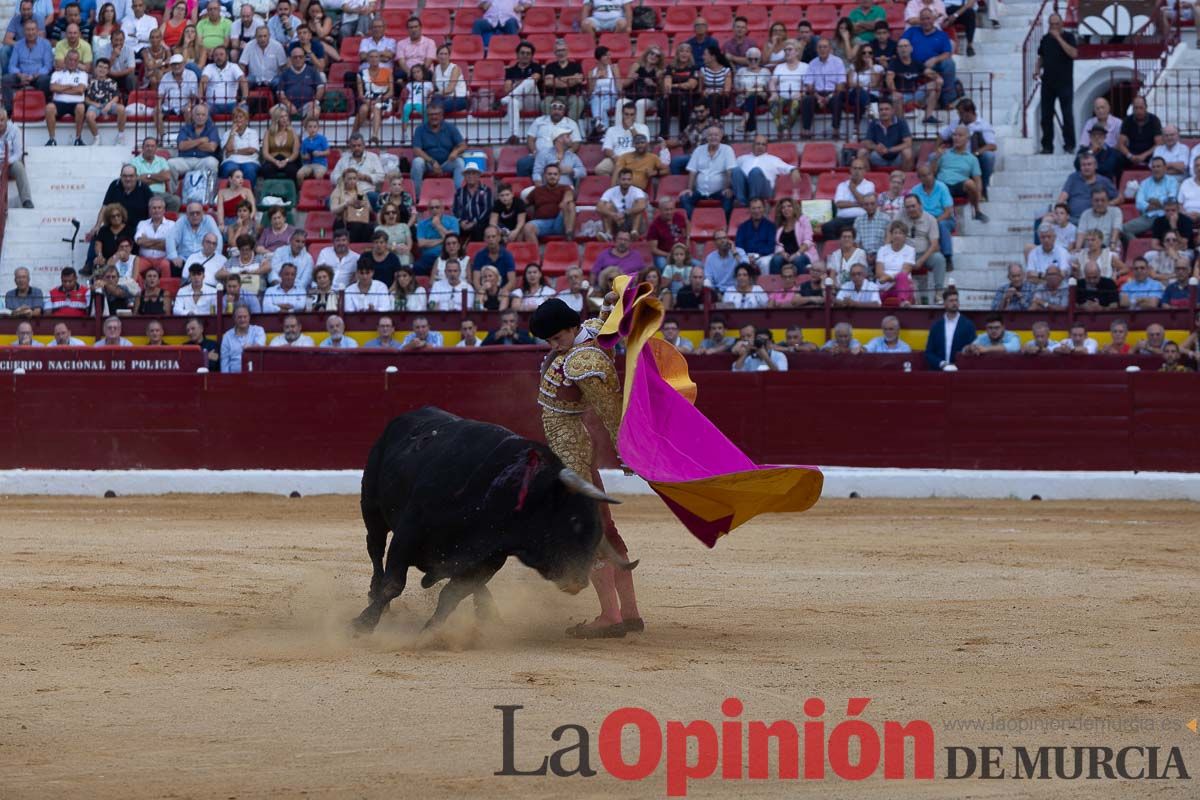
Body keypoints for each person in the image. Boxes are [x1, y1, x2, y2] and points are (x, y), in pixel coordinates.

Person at [528, 297, 642, 639]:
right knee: (604, 528)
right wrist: (612, 300)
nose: (552, 346)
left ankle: (610, 616)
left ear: (570, 328)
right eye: (548, 341)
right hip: (570, 449)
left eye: (556, 338)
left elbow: (610, 410)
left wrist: (626, 452)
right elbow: (605, 320)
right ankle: (630, 613)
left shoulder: (584, 362)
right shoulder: (588, 332)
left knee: (587, 532)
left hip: (572, 453)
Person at [931, 125, 988, 223]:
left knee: (970, 183)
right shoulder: (943, 153)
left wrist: (978, 193)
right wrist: (936, 158)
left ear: (967, 138)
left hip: (960, 186)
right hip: (942, 184)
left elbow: (977, 180)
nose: (956, 138)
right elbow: (931, 173)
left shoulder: (972, 158)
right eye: (954, 135)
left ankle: (977, 211)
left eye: (960, 135)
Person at [1036, 13, 1076, 154]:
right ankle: (1047, 146)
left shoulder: (1069, 37)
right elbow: (1041, 56)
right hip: (1048, 82)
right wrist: (1036, 69)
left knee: (1067, 114)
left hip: (1065, 82)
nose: (1053, 27)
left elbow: (1073, 54)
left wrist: (1058, 38)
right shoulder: (1045, 39)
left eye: (1056, 24)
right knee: (1046, 115)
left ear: (1062, 24)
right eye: (1051, 24)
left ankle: (1070, 144)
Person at [732, 135, 802, 207]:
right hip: (745, 188)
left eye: (763, 144)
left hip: (764, 189)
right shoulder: (742, 158)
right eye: (758, 144)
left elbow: (787, 167)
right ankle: (741, 202)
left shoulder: (773, 159)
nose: (760, 146)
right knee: (736, 170)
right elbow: (731, 174)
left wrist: (793, 170)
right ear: (753, 145)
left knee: (755, 172)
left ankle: (754, 203)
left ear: (766, 147)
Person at [681, 124, 734, 219]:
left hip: (719, 191)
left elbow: (729, 171)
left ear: (721, 136)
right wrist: (689, 189)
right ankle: (695, 223)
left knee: (728, 198)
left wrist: (728, 188)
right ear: (706, 137)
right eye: (710, 135)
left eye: (716, 135)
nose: (713, 137)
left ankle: (723, 226)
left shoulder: (727, 150)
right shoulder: (698, 150)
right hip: (700, 191)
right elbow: (692, 171)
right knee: (685, 198)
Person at [1123, 156, 1179, 238]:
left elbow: (1171, 201)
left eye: (1158, 166)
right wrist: (1157, 205)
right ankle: (1137, 249)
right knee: (1124, 229)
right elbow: (1139, 203)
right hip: (1149, 217)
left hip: (1166, 216)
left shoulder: (1172, 181)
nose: (1156, 169)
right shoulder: (1144, 183)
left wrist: (1157, 202)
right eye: (1153, 167)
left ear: (1165, 168)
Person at [800, 38, 845, 136]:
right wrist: (819, 97)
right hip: (817, 94)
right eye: (820, 47)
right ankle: (806, 130)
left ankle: (835, 129)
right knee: (807, 100)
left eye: (825, 47)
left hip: (833, 94)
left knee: (838, 99)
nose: (822, 49)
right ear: (817, 49)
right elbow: (809, 85)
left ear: (830, 49)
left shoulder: (838, 62)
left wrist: (827, 98)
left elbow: (840, 85)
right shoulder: (812, 63)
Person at [924, 289, 975, 369]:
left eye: (956, 300)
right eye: (951, 300)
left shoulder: (968, 325)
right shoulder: (936, 326)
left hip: (960, 372)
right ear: (944, 303)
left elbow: (973, 350)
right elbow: (929, 352)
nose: (954, 303)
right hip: (939, 372)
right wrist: (942, 364)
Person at [1117, 95, 1163, 171]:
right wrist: (1130, 156)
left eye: (1141, 108)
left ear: (1146, 107)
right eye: (1136, 108)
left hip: (1149, 153)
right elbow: (1121, 144)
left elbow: (1159, 143)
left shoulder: (1154, 120)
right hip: (1132, 154)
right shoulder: (1127, 120)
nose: (1138, 111)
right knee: (1118, 158)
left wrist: (1144, 155)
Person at [218, 305, 265, 371]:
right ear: (234, 318)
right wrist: (226, 379)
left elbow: (260, 347)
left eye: (245, 317)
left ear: (249, 317)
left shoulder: (258, 330)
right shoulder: (227, 336)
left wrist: (250, 348)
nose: (242, 319)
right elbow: (224, 362)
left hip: (254, 374)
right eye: (239, 317)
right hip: (234, 377)